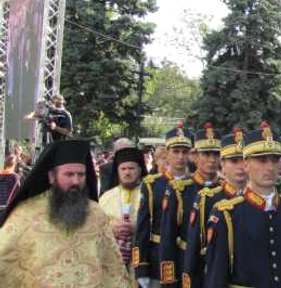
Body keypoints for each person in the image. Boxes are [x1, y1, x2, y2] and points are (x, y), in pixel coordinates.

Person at [0, 138, 132, 287]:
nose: (76, 181)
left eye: (81, 175)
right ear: (51, 177)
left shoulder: (96, 214)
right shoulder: (26, 213)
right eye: (69, 175)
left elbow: (113, 269)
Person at [204, 127, 281, 287]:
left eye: (274, 160)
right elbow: (216, 277)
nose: (269, 167)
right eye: (262, 160)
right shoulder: (227, 214)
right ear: (246, 165)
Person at [182, 126, 246, 288]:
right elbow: (193, 250)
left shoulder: (260, 202)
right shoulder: (208, 199)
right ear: (222, 165)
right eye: (234, 161)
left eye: (244, 160)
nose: (240, 167)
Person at [159, 123, 222, 287]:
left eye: (216, 154)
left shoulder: (224, 190)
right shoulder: (179, 189)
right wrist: (169, 280)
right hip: (186, 265)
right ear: (195, 156)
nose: (212, 159)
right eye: (206, 154)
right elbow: (168, 239)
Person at [134, 122, 193, 288]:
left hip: (186, 259)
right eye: (175, 151)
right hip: (157, 258)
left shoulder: (196, 186)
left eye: (184, 151)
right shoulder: (153, 184)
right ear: (167, 153)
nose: (180, 156)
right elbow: (142, 227)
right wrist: (141, 267)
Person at [99, 146, 147, 273]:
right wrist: (111, 228)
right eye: (123, 169)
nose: (127, 172)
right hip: (111, 263)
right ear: (117, 171)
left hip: (143, 260)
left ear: (140, 170)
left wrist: (137, 228)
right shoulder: (106, 197)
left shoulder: (151, 194)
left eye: (131, 168)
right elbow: (95, 226)